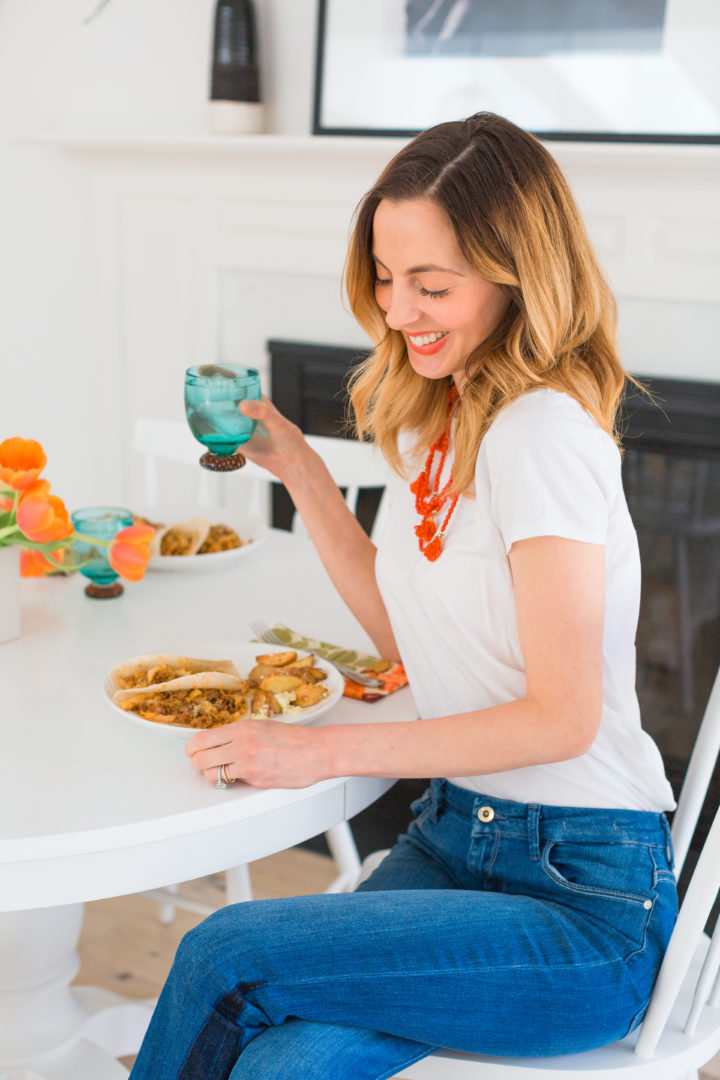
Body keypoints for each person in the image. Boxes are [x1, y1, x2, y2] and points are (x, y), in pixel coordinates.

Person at [129, 111, 677, 1080]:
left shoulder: (542, 435)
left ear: (519, 278)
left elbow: (561, 717)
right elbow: (411, 638)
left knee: (224, 952)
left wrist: (313, 751)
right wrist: (296, 465)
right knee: (278, 1065)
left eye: (432, 285)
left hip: (583, 902)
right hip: (457, 841)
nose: (398, 310)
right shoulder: (445, 421)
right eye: (386, 278)